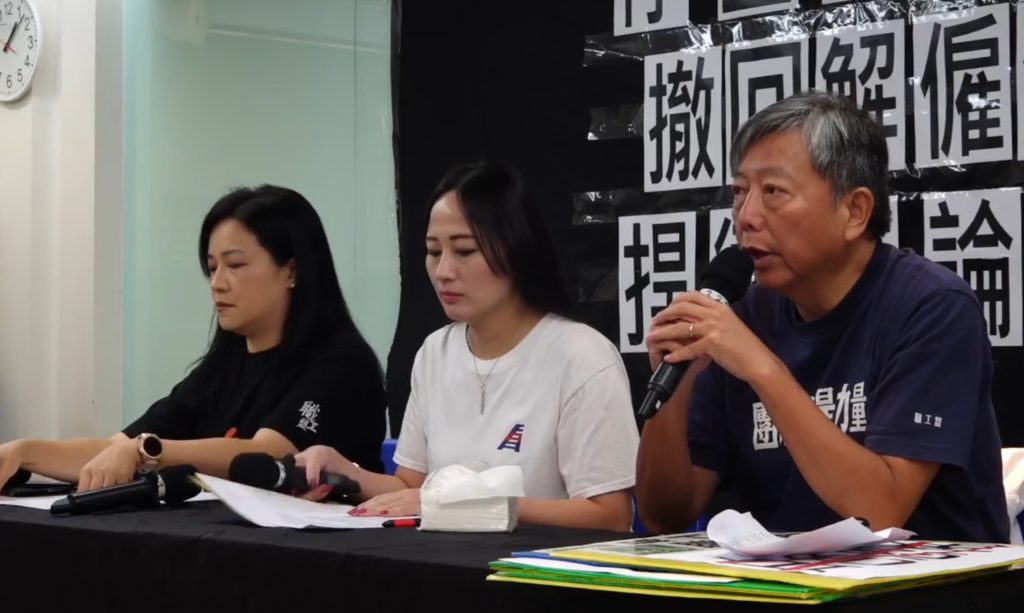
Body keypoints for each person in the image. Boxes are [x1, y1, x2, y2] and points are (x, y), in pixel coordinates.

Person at [636, 91, 1009, 543]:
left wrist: (761, 368)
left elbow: (881, 510)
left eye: (773, 192)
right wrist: (674, 391)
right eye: (739, 192)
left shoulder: (932, 306)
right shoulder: (742, 316)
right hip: (787, 587)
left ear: (854, 211)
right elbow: (665, 516)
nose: (747, 216)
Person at [296, 162, 639, 531]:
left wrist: (469, 506)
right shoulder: (434, 353)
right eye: (433, 251)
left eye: (464, 251)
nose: (443, 271)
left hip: (536, 574)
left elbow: (611, 516)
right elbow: (411, 488)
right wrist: (343, 471)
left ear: (516, 250)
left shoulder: (582, 357)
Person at [0, 185, 387, 492]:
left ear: (292, 271)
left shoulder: (342, 364)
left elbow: (266, 453)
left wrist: (145, 451)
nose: (218, 284)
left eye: (235, 265)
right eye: (211, 267)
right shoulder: (222, 365)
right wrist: (24, 452)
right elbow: (117, 446)